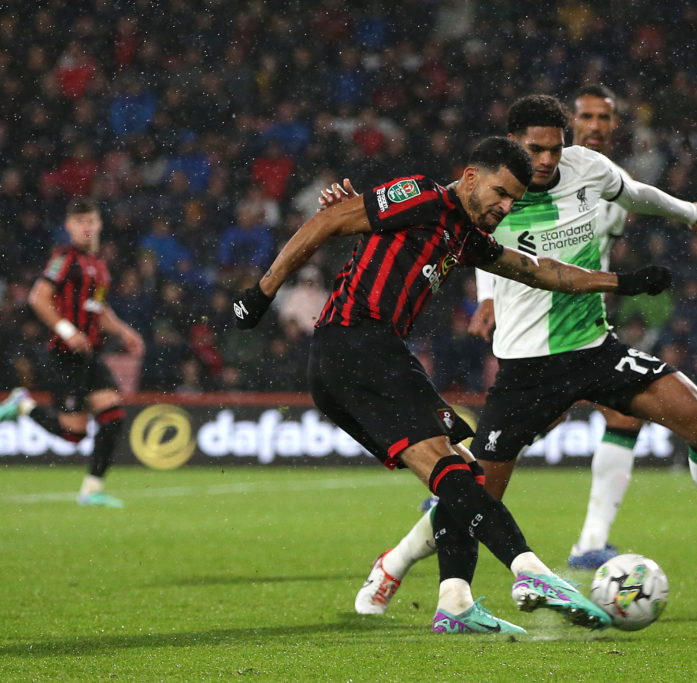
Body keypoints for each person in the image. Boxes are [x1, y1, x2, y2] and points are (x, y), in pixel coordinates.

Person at [355, 95, 697, 618]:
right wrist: (488, 293)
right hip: (526, 367)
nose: (546, 160)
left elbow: (634, 193)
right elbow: (458, 234)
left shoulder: (586, 167)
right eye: (535, 149)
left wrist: (689, 212)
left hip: (593, 348)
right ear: (514, 143)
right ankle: (395, 563)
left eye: (554, 149)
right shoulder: (493, 193)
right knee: (474, 497)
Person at [232, 136, 673, 634]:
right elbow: (328, 220)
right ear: (469, 177)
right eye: (500, 193)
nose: (505, 207)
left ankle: (456, 601)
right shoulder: (421, 195)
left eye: (513, 201)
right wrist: (261, 293)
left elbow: (540, 271)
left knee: (463, 474)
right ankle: (531, 571)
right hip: (356, 344)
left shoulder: (464, 238)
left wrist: (624, 283)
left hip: (368, 357)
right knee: (452, 470)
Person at [474, 85, 648, 569]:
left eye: (604, 118)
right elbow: (491, 232)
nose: (595, 125)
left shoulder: (609, 181)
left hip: (584, 321)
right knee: (528, 430)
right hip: (536, 321)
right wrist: (486, 298)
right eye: (587, 117)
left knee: (621, 416)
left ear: (614, 125)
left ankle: (591, 540)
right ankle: (458, 488)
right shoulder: (529, 177)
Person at [0, 198, 145, 507]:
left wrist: (124, 332)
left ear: (99, 224)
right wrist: (67, 330)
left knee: (114, 415)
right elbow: (38, 297)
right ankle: (23, 404)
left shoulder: (100, 267)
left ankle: (92, 490)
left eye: (91, 221)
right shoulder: (65, 258)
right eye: (80, 223)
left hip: (90, 356)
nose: (86, 228)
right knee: (73, 435)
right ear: (68, 227)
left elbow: (99, 308)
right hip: (64, 355)